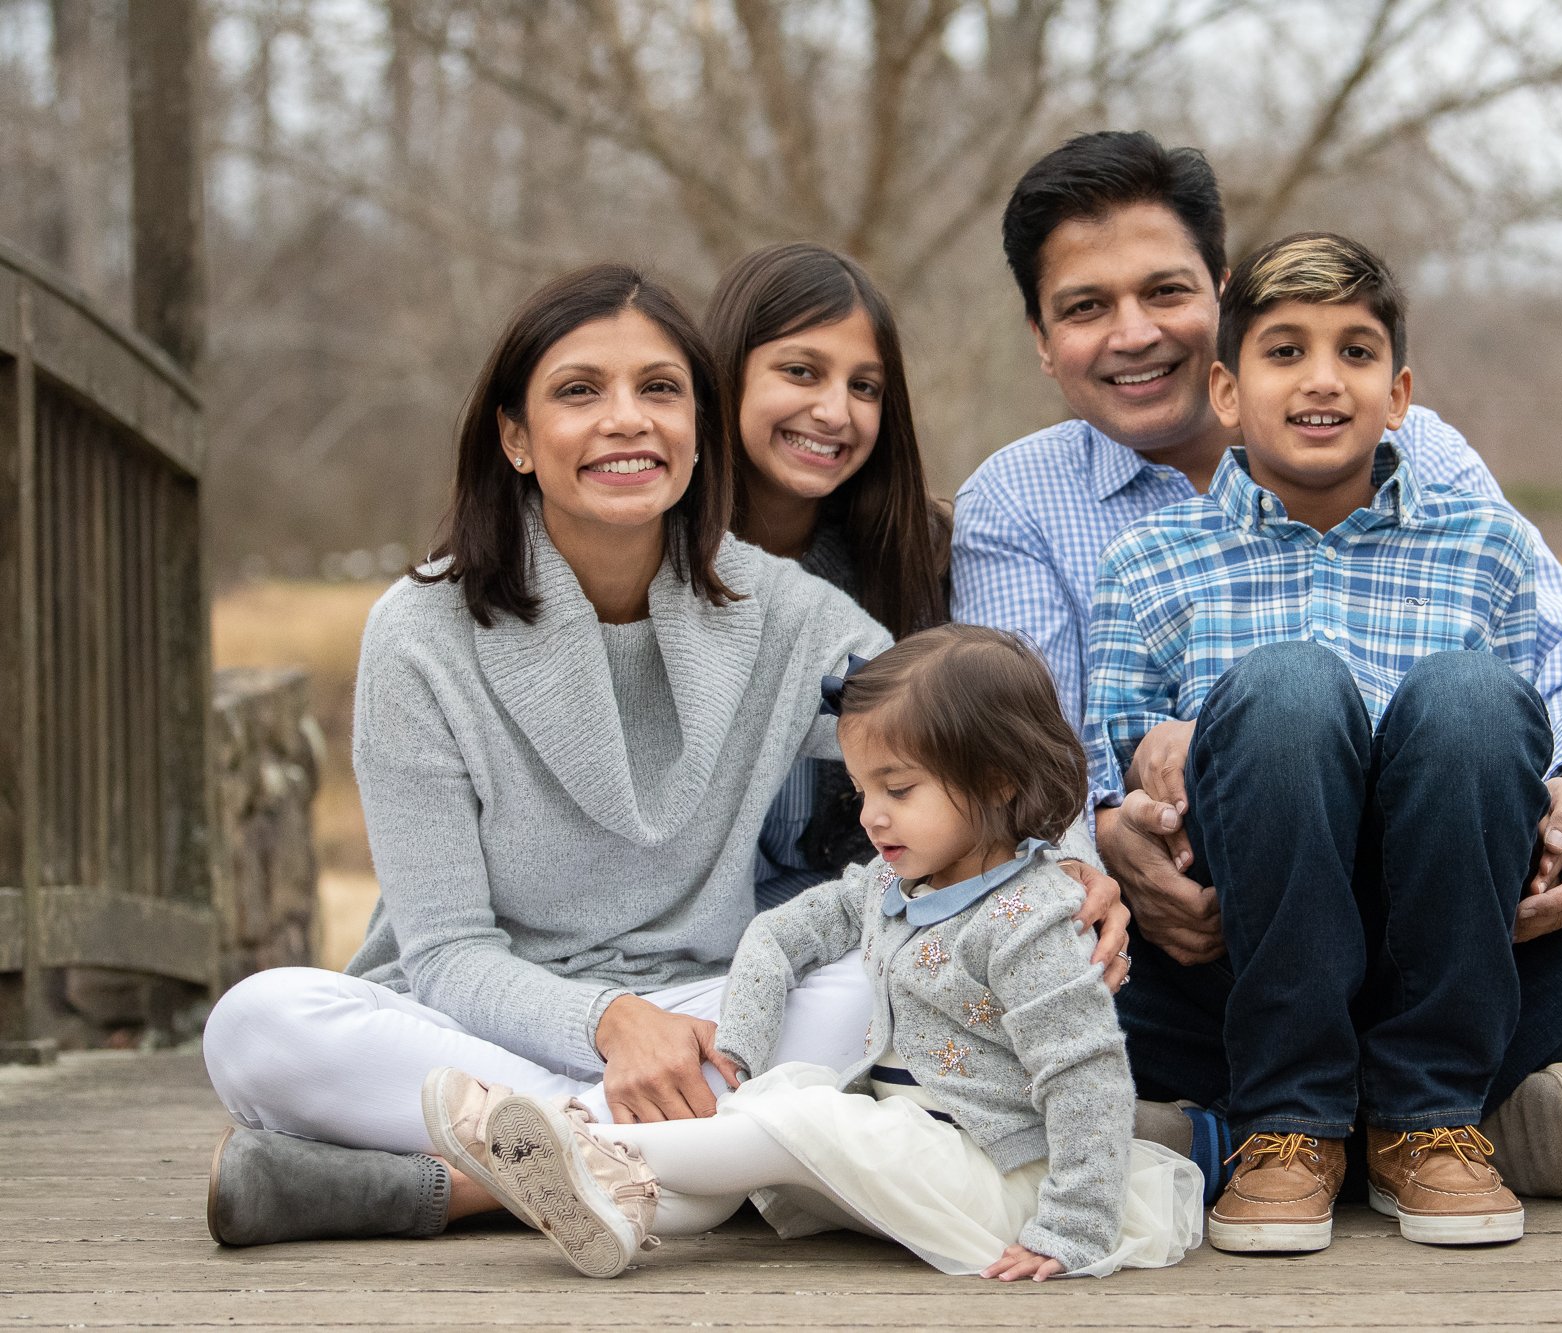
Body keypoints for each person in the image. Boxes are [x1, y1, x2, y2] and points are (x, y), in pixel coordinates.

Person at [197, 264, 1131, 1247]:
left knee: (896, 972)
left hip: (709, 1007)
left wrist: (1069, 858)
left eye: (658, 390)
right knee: (257, 1023)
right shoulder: (419, 630)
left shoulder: (779, 606)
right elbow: (444, 953)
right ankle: (685, 1165)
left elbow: (967, 726)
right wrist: (606, 1024)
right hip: (489, 1014)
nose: (625, 419)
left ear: (697, 429)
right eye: (578, 392)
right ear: (514, 436)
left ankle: (502, 1172)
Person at [953, 130, 1562, 1203]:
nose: (1132, 333)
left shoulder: (1423, 456)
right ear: (1043, 343)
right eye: (1085, 307)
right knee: (1009, 937)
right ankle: (1417, 1117)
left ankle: (1311, 1120)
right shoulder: (1019, 501)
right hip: (1205, 940)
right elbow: (1027, 756)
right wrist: (1105, 833)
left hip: (1443, 915)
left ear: (1220, 294)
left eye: (1164, 291)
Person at [424, 626, 1202, 1280]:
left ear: (994, 778)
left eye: (899, 789)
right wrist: (743, 1055)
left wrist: (1069, 1229)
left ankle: (576, 1145)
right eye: (863, 790)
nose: (872, 816)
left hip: (997, 1183)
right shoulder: (889, 886)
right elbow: (777, 935)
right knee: (776, 1106)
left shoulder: (1029, 916)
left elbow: (1087, 1075)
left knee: (810, 1117)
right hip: (903, 1158)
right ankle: (619, 1213)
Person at [1090, 232, 1549, 1250]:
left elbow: (1546, 717)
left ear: (1398, 395)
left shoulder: (1489, 544)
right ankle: (1290, 1120)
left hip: (1454, 919)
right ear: (1223, 389)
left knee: (1491, 708)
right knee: (1287, 685)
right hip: (1240, 934)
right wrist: (1143, 778)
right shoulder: (1146, 566)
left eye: (1353, 352)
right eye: (1284, 351)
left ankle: (1429, 1113)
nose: (1320, 381)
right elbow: (1104, 768)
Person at [704, 243, 952, 909]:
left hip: (853, 918)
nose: (836, 412)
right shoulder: (649, 552)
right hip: (676, 941)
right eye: (801, 371)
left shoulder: (919, 555)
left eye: (864, 386)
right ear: (727, 374)